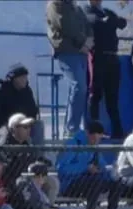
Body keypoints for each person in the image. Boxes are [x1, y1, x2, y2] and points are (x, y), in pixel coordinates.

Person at [46, 0, 92, 136]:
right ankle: (72, 128)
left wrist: (89, 40)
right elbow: (66, 26)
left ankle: (75, 125)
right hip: (67, 50)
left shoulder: (76, 7)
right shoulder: (55, 5)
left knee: (80, 89)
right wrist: (82, 43)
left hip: (81, 52)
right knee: (79, 86)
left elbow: (87, 24)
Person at [59, 120, 121, 209]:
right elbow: (62, 169)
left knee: (116, 181)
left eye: (99, 138)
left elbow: (102, 166)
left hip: (89, 182)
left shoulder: (94, 147)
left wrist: (111, 170)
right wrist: (85, 167)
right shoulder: (73, 144)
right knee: (95, 181)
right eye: (94, 138)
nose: (96, 141)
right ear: (88, 133)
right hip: (69, 184)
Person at [85, 0, 126, 139]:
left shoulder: (107, 12)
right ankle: (94, 130)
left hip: (112, 57)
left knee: (112, 97)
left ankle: (117, 131)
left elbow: (122, 23)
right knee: (95, 94)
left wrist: (110, 21)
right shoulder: (86, 11)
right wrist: (107, 22)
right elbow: (94, 23)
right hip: (98, 56)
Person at [0, 64, 38, 139]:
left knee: (38, 126)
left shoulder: (27, 92)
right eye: (22, 77)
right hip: (2, 130)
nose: (25, 80)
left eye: (25, 77)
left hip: (21, 129)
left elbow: (32, 111)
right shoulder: (0, 92)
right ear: (14, 79)